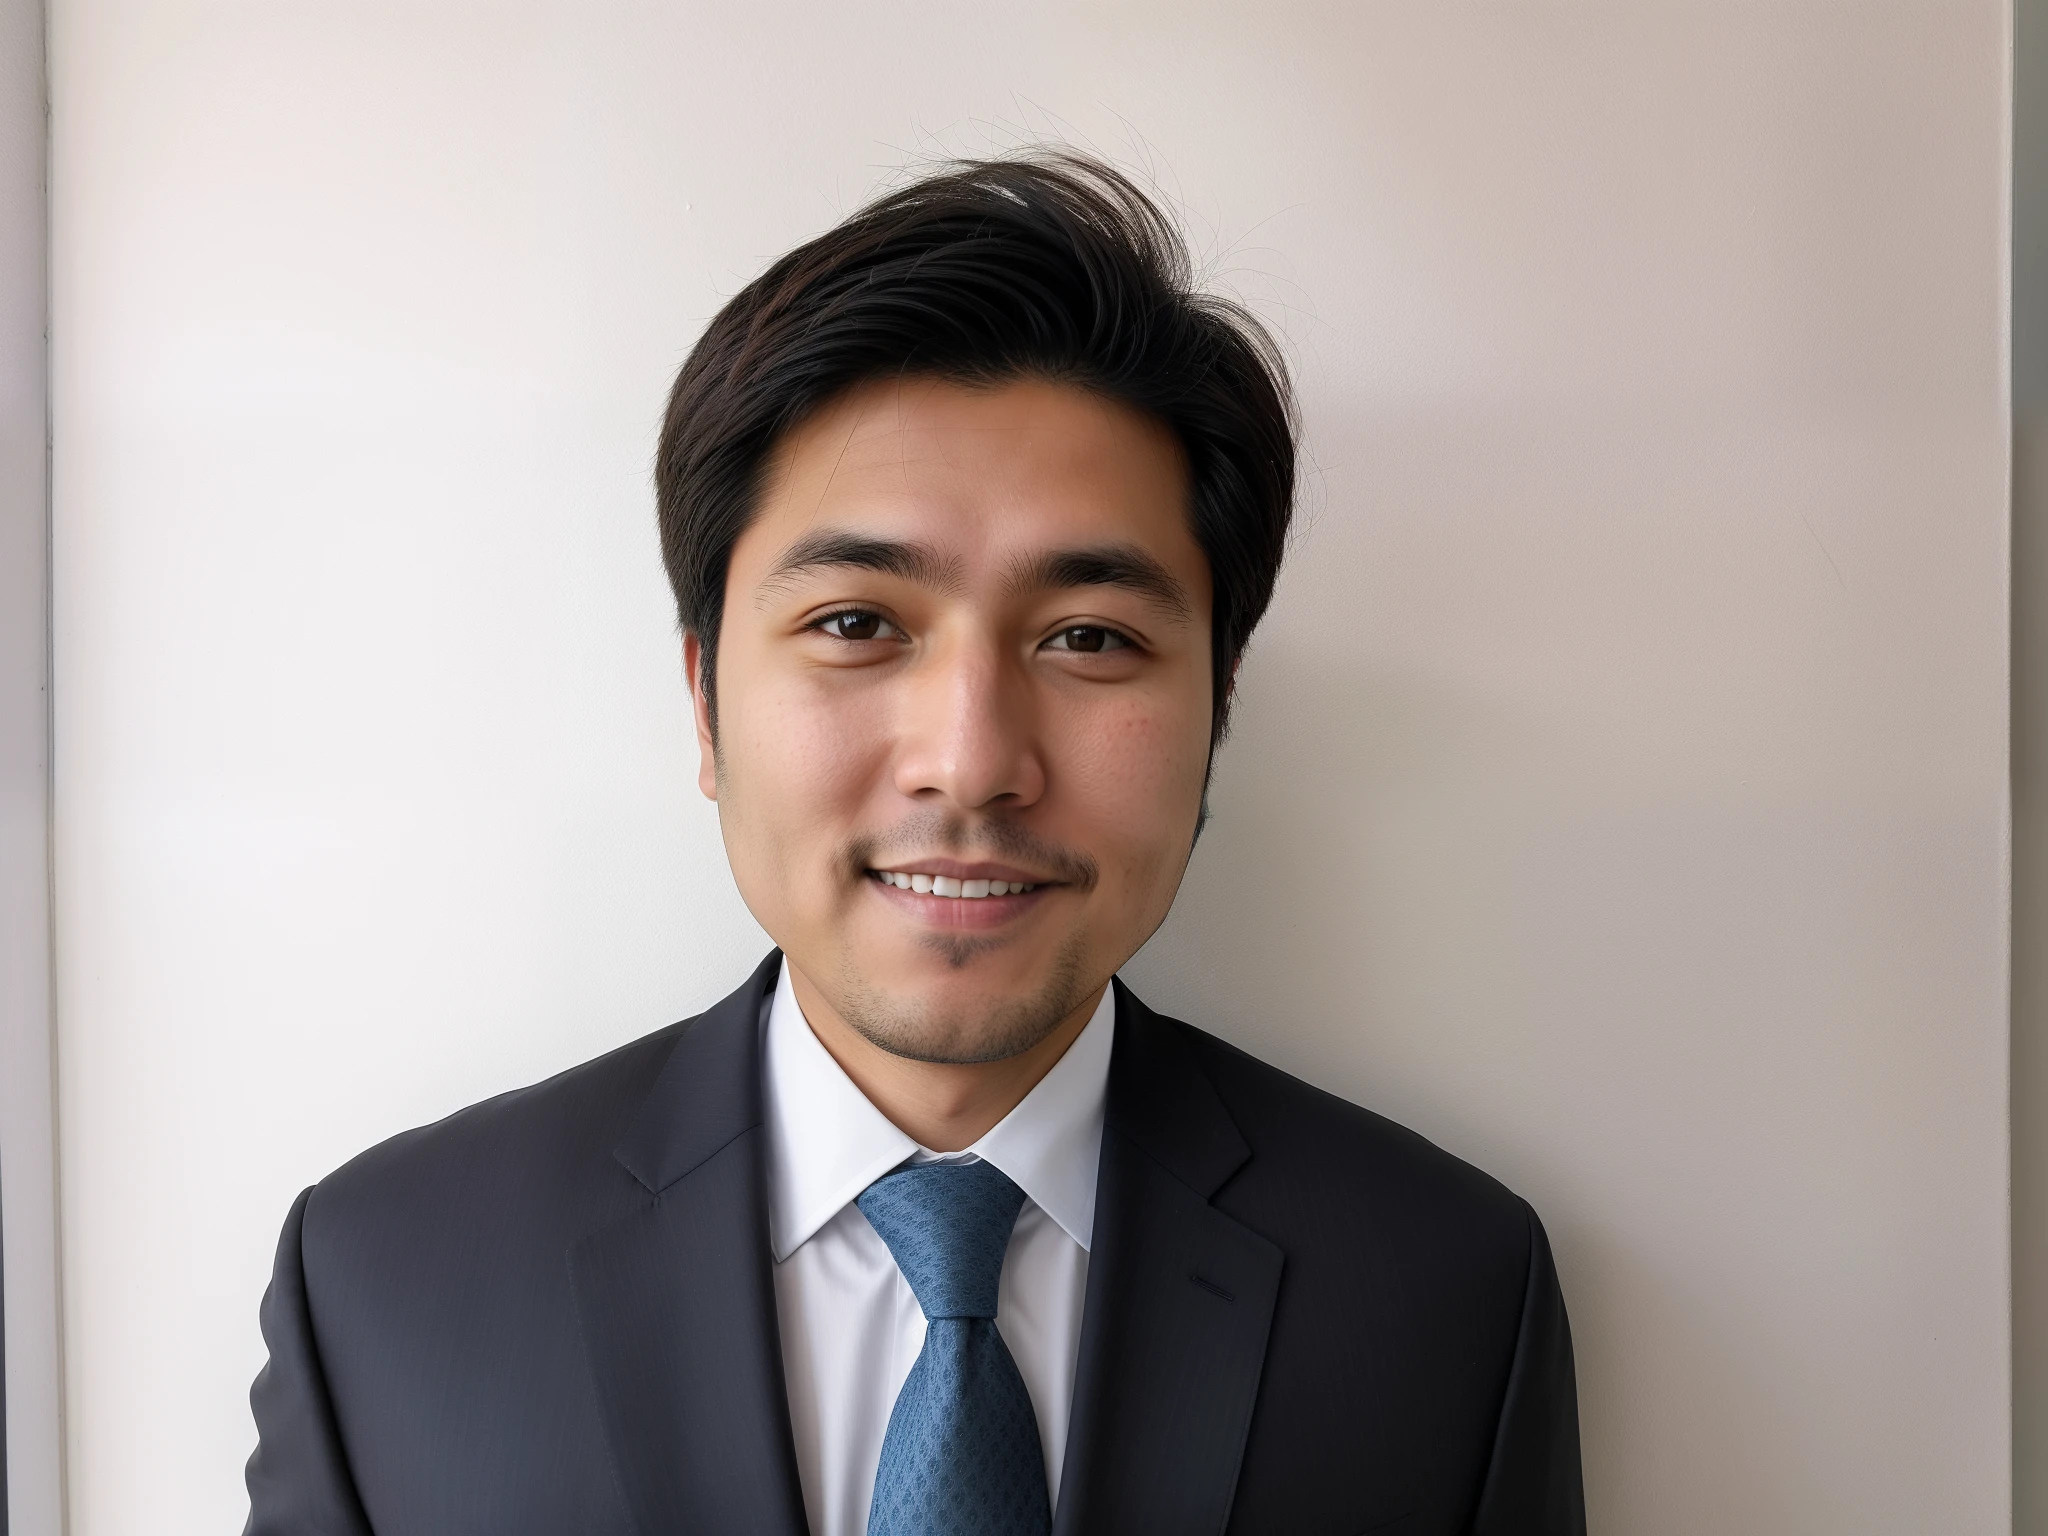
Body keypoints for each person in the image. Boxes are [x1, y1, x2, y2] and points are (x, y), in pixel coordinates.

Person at [242, 152, 1585, 1536]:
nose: (971, 761)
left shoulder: (1448, 1294)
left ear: (1217, 710)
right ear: (704, 701)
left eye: (1089, 639)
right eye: (856, 624)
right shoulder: (387, 1282)